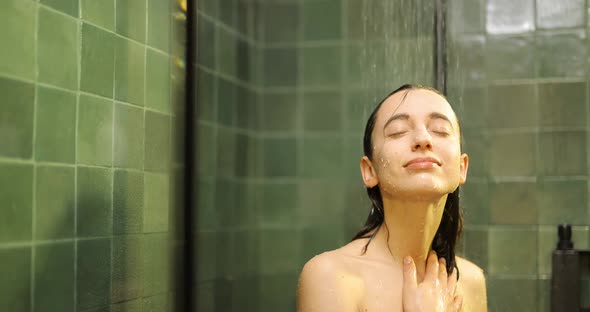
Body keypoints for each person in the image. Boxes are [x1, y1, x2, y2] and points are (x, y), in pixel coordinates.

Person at [296, 84, 487, 311]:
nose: (423, 138)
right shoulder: (332, 277)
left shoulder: (470, 282)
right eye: (398, 131)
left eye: (440, 130)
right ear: (369, 170)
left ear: (462, 166)